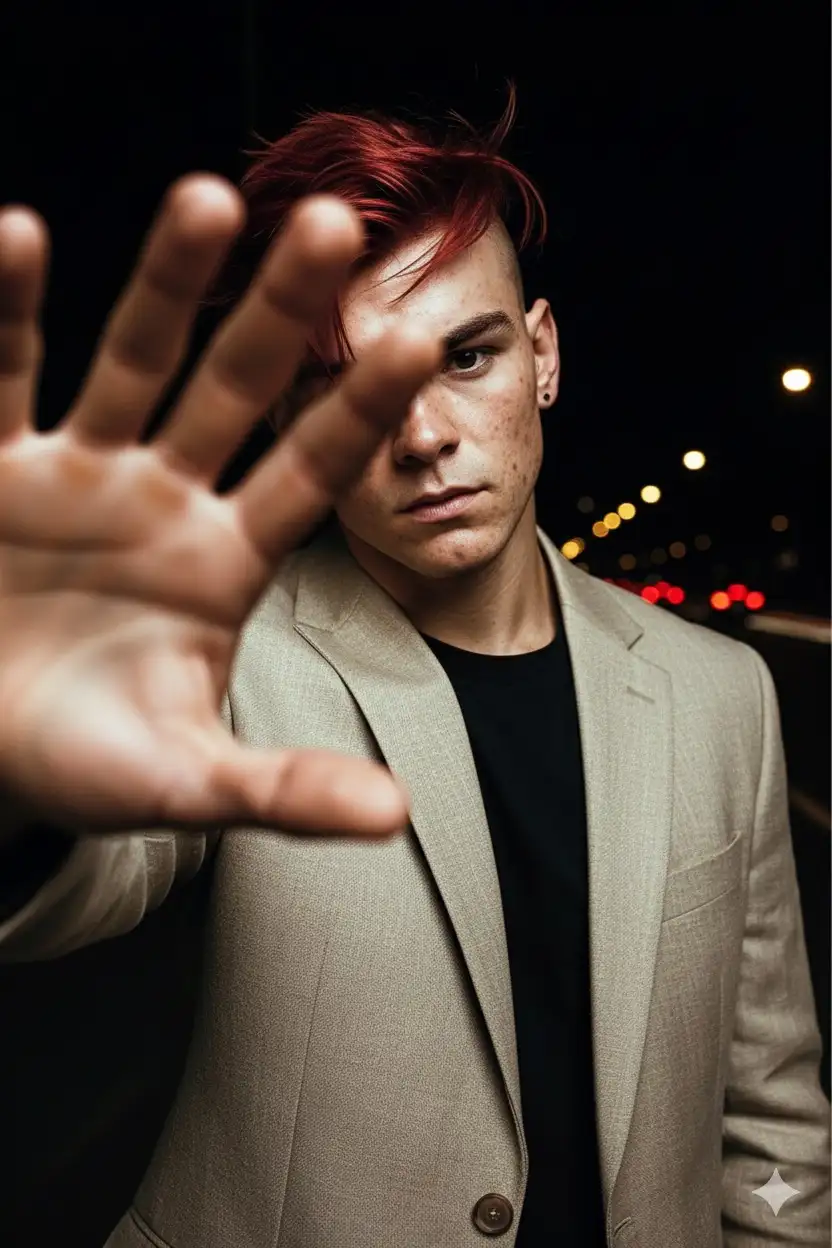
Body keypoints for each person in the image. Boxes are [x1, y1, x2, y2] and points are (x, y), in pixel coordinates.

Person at [0, 87, 828, 1248]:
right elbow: (84, 871)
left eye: (468, 358)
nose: (422, 434)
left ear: (542, 356)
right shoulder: (220, 659)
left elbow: (774, 1120)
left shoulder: (721, 695)